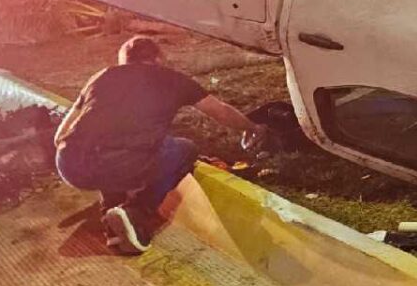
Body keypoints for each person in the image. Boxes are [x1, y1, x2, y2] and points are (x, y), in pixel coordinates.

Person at [54, 36, 268, 255]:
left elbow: (60, 135)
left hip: (69, 164)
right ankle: (138, 210)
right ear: (157, 58)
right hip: (119, 163)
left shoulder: (102, 77)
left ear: (123, 61)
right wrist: (252, 128)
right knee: (184, 150)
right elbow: (220, 111)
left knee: (105, 148)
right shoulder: (171, 79)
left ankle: (114, 222)